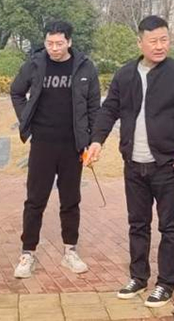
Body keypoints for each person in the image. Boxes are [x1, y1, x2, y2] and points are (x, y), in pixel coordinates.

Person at [84, 15, 174, 308]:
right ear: (140, 43)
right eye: (153, 41)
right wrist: (97, 141)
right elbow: (109, 110)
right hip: (133, 164)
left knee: (170, 226)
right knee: (137, 224)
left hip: (168, 164)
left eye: (164, 39)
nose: (160, 46)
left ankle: (166, 283)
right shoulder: (125, 74)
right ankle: (138, 277)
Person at [10, 20, 100, 278]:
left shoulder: (85, 67)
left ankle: (70, 251)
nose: (54, 48)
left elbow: (94, 106)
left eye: (59, 43)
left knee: (71, 200)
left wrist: (93, 140)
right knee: (35, 200)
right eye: (50, 43)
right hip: (42, 143)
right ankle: (27, 253)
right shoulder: (35, 64)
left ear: (69, 42)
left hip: (73, 145)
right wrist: (26, 120)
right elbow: (16, 92)